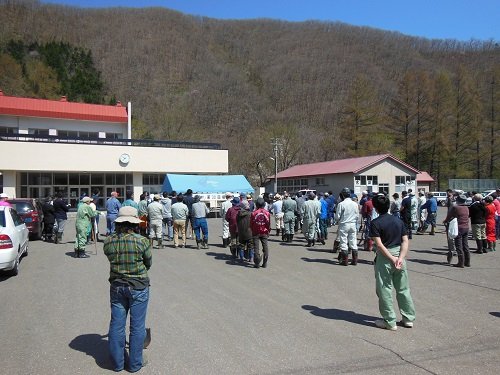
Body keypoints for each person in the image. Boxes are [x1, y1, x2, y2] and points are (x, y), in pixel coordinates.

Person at [103, 206, 152, 373]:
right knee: (137, 326)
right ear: (135, 223)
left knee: (117, 324)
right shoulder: (142, 241)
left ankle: (117, 364)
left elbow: (109, 257)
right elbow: (148, 263)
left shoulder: (109, 241)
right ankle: (135, 364)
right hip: (138, 286)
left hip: (117, 285)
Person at [370, 193, 416, 331]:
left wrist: (392, 258)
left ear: (376, 208)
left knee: (385, 289)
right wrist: (400, 258)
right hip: (400, 257)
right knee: (403, 289)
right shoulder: (398, 221)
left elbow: (379, 245)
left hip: (386, 257)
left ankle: (390, 321)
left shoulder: (375, 223)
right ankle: (408, 318)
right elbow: (405, 241)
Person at [444, 194, 471, 268]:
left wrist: (445, 221)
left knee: (458, 245)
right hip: (466, 227)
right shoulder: (466, 207)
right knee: (465, 245)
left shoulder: (456, 207)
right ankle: (467, 261)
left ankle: (461, 262)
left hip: (459, 227)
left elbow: (449, 216)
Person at [335, 188, 360, 265]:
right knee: (353, 242)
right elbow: (357, 216)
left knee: (343, 242)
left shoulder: (341, 204)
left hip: (344, 224)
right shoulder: (355, 204)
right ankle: (354, 260)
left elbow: (337, 217)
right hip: (353, 224)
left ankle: (345, 261)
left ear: (342, 195)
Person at [251, 197, 271, 268]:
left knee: (256, 248)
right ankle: (265, 262)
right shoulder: (267, 213)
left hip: (256, 231)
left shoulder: (254, 213)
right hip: (264, 231)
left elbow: (251, 223)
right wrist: (268, 230)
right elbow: (268, 223)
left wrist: (252, 230)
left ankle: (257, 263)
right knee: (265, 247)